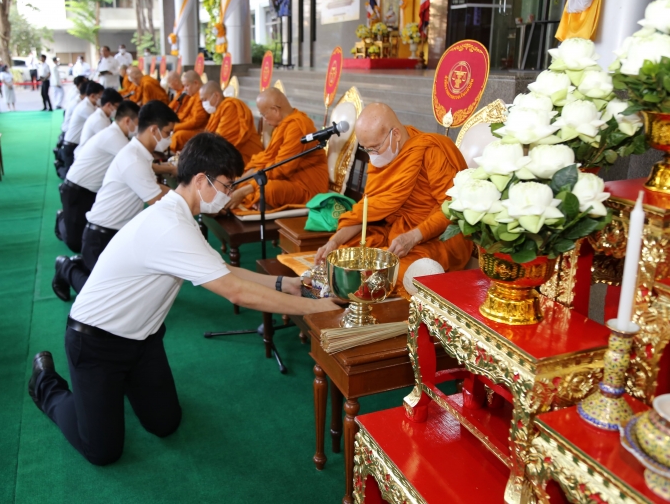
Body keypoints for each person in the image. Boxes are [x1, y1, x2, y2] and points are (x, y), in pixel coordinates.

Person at [29, 132, 341, 466]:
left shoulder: (180, 215)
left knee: (165, 423)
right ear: (200, 180)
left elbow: (221, 269)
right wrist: (314, 307)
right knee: (102, 450)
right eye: (226, 184)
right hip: (96, 342)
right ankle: (46, 384)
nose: (229, 193)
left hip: (143, 340)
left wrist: (283, 283)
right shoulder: (170, 225)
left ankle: (109, 393)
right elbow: (235, 291)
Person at [313, 103, 474, 297]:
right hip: (395, 232)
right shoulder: (380, 158)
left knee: (394, 272)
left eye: (374, 148)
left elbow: (451, 208)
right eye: (366, 150)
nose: (371, 156)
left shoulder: (431, 150)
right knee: (347, 253)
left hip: (437, 237)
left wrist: (413, 237)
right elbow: (368, 211)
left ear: (395, 134)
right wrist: (333, 241)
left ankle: (369, 302)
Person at [53, 101, 177, 299]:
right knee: (101, 298)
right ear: (154, 129)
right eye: (169, 132)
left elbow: (155, 188)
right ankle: (65, 266)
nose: (170, 138)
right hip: (100, 236)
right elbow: (157, 199)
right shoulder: (133, 158)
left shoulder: (140, 153)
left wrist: (177, 193)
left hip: (118, 234)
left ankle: (80, 265)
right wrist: (188, 198)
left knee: (128, 290)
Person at [57, 100, 141, 254]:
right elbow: (136, 162)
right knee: (75, 244)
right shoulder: (113, 136)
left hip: (89, 190)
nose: (138, 129)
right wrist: (167, 168)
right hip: (77, 189)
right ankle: (61, 219)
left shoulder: (116, 134)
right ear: (128, 120)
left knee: (82, 237)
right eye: (137, 123)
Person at [225, 87, 328, 211]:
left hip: (307, 189)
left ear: (275, 110)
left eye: (263, 114)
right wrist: (237, 184)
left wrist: (243, 192)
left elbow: (281, 168)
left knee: (267, 190)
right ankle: (260, 202)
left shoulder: (297, 127)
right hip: (288, 181)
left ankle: (262, 203)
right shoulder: (282, 126)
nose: (263, 119)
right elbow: (266, 161)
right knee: (248, 184)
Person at [200, 81, 261, 165]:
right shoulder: (216, 111)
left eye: (205, 99)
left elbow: (222, 140)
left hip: (243, 157)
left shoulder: (231, 106)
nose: (203, 103)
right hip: (228, 154)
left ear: (216, 95)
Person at [58, 81, 104, 177]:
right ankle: (59, 164)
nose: (101, 99)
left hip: (74, 143)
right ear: (92, 96)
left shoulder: (90, 105)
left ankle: (60, 156)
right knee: (70, 175)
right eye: (100, 96)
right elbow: (99, 122)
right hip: (71, 145)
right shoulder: (85, 108)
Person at [169, 71, 209, 153]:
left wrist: (177, 127)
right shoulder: (193, 96)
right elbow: (185, 115)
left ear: (196, 83)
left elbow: (197, 121)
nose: (185, 89)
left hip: (201, 129)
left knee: (178, 136)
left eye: (187, 86)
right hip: (193, 127)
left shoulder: (202, 96)